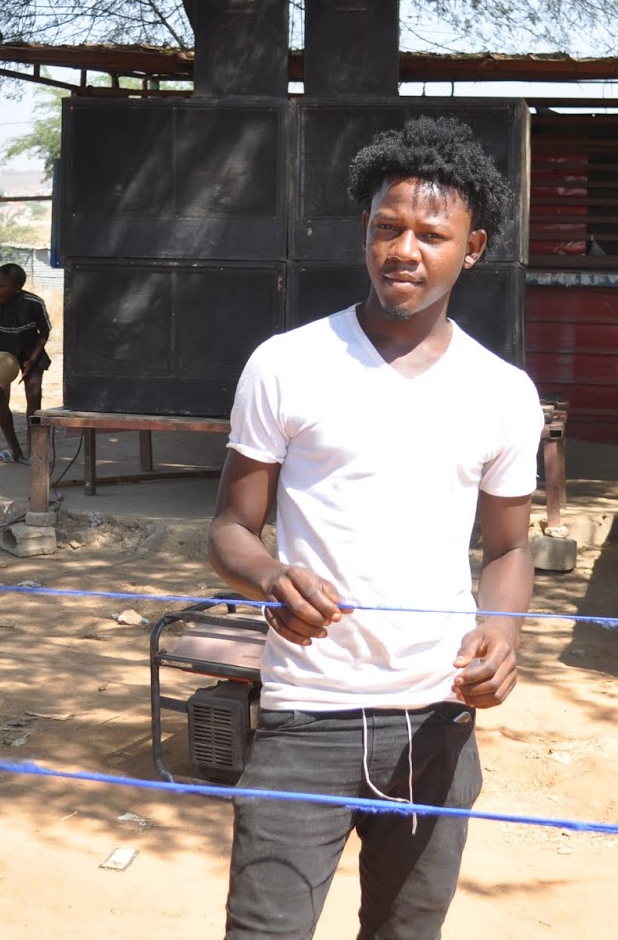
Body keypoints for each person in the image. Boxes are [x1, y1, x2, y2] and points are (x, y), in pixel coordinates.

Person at [209, 117, 543, 939]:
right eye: (387, 228)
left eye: (432, 235)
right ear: (364, 231)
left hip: (435, 720)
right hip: (304, 714)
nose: (404, 251)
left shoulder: (503, 393)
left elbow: (508, 547)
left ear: (473, 248)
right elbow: (230, 529)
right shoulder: (286, 364)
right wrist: (269, 577)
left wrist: (502, 634)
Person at [0, 262, 52, 465]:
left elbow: (44, 333)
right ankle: (14, 449)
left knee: (34, 395)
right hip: (1, 353)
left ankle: (34, 448)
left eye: (2, 286)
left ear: (18, 288)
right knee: (0, 398)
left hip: (30, 351)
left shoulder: (34, 303)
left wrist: (32, 360)